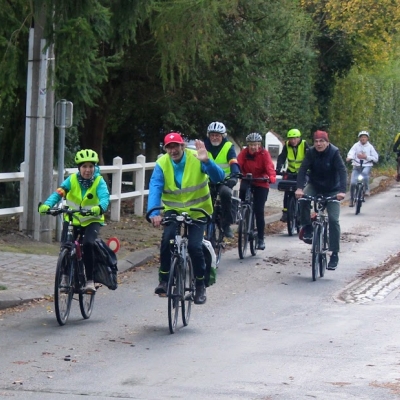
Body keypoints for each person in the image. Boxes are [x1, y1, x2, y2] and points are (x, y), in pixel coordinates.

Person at [147, 132, 224, 305]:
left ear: (182, 146)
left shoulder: (197, 157)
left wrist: (207, 161)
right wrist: (153, 213)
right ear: (165, 149)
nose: (173, 150)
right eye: (169, 147)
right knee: (167, 240)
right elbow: (155, 187)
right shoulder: (162, 164)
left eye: (176, 146)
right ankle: (164, 280)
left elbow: (218, 177)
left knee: (195, 247)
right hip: (173, 210)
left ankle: (200, 285)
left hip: (198, 211)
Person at [38, 149, 110, 293]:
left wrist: (100, 207)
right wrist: (47, 205)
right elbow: (59, 193)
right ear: (79, 168)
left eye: (91, 166)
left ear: (95, 167)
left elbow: (104, 198)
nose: (88, 170)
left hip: (92, 220)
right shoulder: (71, 180)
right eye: (84, 166)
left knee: (88, 244)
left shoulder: (98, 181)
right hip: (72, 218)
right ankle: (65, 276)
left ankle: (90, 280)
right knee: (66, 245)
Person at [295, 130, 347, 270]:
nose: (318, 144)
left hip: (333, 189)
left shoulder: (334, 152)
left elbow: (342, 171)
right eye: (316, 141)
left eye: (321, 141)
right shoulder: (311, 152)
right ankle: (307, 227)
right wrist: (300, 188)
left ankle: (334, 253)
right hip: (315, 186)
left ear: (327, 142)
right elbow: (303, 170)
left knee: (333, 220)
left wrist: (342, 191)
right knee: (303, 200)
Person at [237, 132, 276, 250]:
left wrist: (271, 177)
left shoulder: (264, 154)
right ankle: (244, 215)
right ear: (248, 145)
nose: (253, 147)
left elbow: (269, 167)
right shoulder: (244, 153)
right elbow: (238, 164)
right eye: (251, 145)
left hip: (261, 181)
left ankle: (260, 239)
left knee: (259, 210)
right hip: (247, 179)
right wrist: (236, 173)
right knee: (243, 200)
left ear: (259, 145)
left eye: (256, 144)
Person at [204, 121, 240, 238]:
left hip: (224, 180)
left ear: (222, 136)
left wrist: (234, 175)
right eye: (212, 135)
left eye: (217, 135)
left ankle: (226, 224)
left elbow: (233, 161)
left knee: (225, 193)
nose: (214, 138)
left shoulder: (228, 146)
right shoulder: (204, 146)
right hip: (207, 181)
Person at [275, 128, 309, 222]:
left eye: (295, 138)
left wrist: (310, 170)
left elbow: (309, 157)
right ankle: (285, 212)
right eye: (291, 139)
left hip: (303, 172)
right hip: (290, 171)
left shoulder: (304, 144)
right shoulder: (287, 145)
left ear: (299, 138)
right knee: (287, 190)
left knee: (304, 190)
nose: (293, 141)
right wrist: (278, 168)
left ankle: (304, 209)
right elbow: (282, 157)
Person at [346, 130, 379, 206]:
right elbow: (351, 152)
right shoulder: (356, 145)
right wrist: (349, 157)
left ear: (367, 138)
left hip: (366, 165)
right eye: (361, 137)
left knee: (364, 174)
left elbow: (376, 158)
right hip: (356, 166)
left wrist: (366, 157)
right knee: (353, 183)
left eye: (364, 137)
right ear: (359, 138)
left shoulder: (370, 147)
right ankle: (351, 199)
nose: (363, 139)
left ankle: (367, 189)